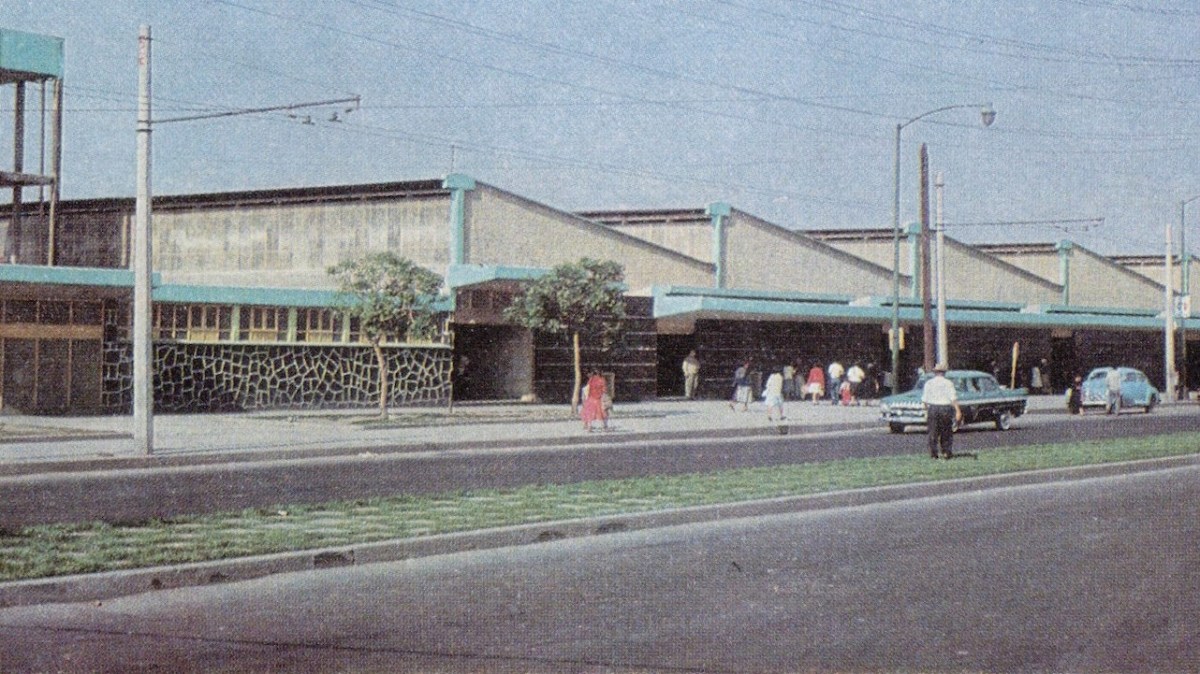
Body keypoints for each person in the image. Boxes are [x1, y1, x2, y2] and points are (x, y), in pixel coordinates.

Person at [921, 363, 962, 459]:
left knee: (933, 432)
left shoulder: (929, 383)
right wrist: (958, 410)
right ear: (944, 373)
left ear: (935, 372)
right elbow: (953, 398)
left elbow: (924, 400)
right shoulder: (948, 383)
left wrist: (926, 411)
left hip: (933, 408)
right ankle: (946, 452)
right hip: (945, 408)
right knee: (946, 431)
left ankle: (933, 454)